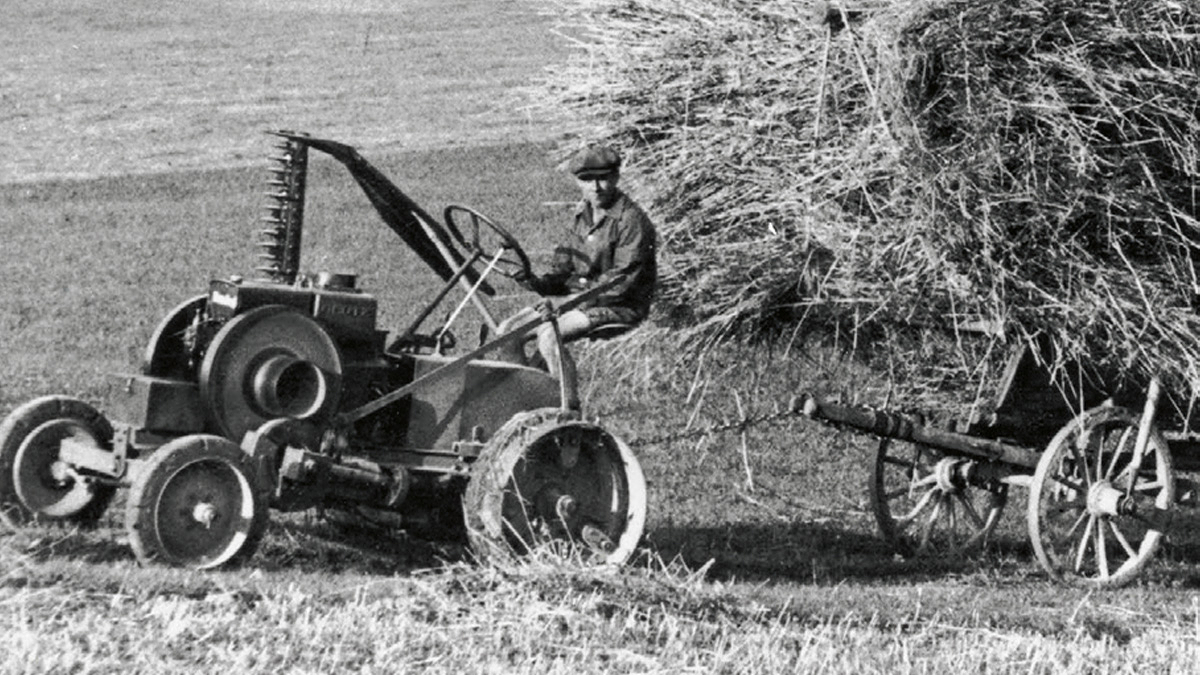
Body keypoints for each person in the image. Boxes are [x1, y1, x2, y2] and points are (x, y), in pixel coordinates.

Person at [497, 143, 657, 389]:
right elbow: (562, 271)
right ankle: (522, 398)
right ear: (578, 182)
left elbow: (620, 285)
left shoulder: (631, 221)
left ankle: (568, 412)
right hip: (579, 300)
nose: (595, 187)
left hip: (619, 307)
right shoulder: (581, 215)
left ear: (616, 177)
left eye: (603, 179)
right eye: (587, 180)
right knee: (508, 332)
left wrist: (563, 303)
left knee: (549, 336)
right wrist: (534, 281)